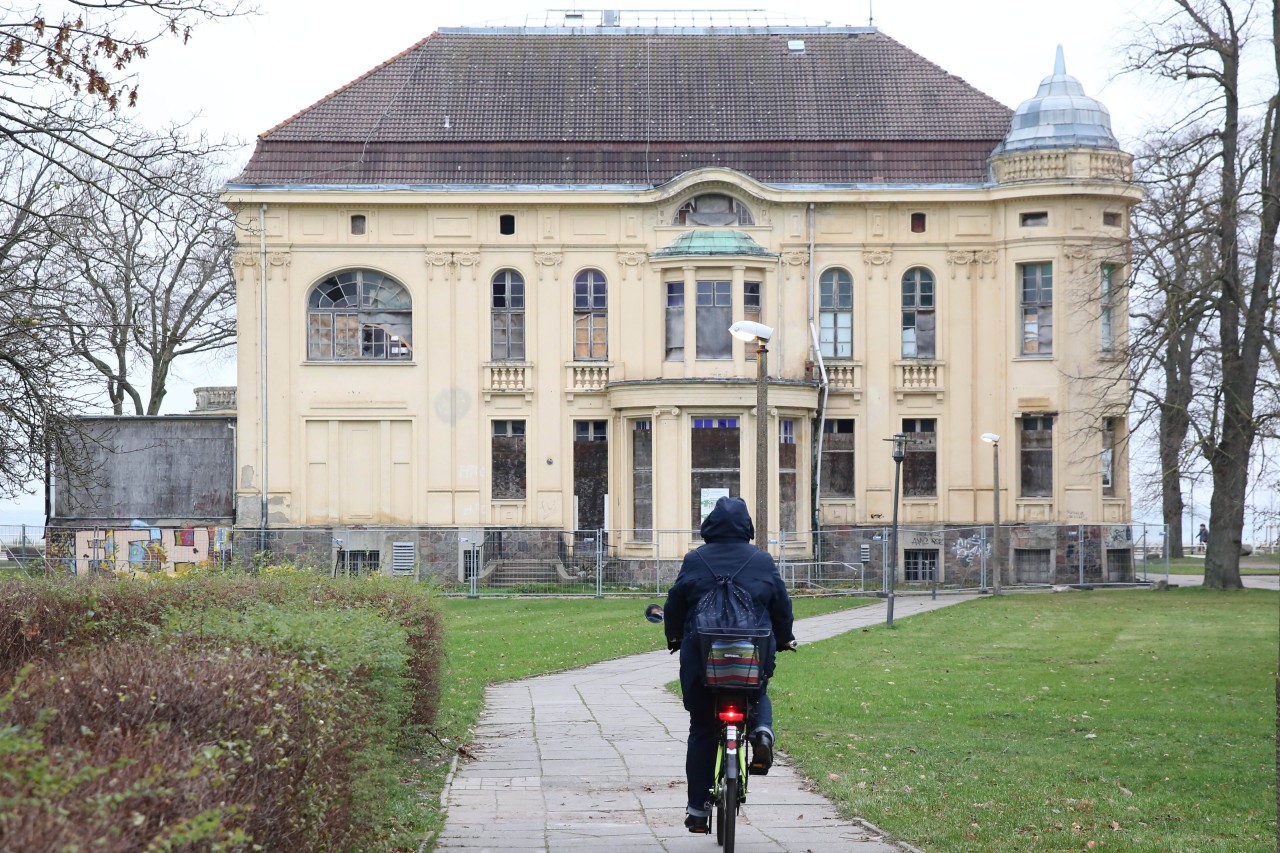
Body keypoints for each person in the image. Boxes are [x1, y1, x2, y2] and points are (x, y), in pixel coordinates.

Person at [662, 496, 795, 834]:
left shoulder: (695, 560)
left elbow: (675, 604)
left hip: (703, 660)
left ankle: (697, 811)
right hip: (752, 655)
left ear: (710, 526)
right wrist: (785, 636)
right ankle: (761, 732)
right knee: (758, 688)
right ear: (746, 526)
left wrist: (674, 636)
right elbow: (781, 604)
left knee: (703, 728)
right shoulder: (762, 560)